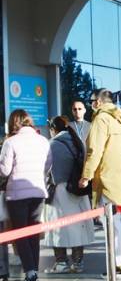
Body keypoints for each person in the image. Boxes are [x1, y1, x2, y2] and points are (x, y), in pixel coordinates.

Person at [79, 89, 121, 278]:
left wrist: (86, 175)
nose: (90, 104)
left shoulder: (101, 119)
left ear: (99, 102)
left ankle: (119, 266)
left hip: (107, 178)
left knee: (112, 225)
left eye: (91, 100)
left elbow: (94, 151)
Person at [0, 110, 52, 281]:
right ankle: (34, 269)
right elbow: (48, 165)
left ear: (13, 122)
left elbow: (5, 170)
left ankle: (29, 270)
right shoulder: (43, 140)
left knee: (20, 232)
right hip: (38, 191)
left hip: (17, 194)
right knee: (33, 232)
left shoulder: (10, 142)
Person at [43, 116, 94, 274]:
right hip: (79, 190)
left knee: (57, 229)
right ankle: (78, 263)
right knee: (78, 228)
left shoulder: (52, 144)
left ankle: (61, 262)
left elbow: (46, 169)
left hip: (60, 191)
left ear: (53, 129)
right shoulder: (78, 142)